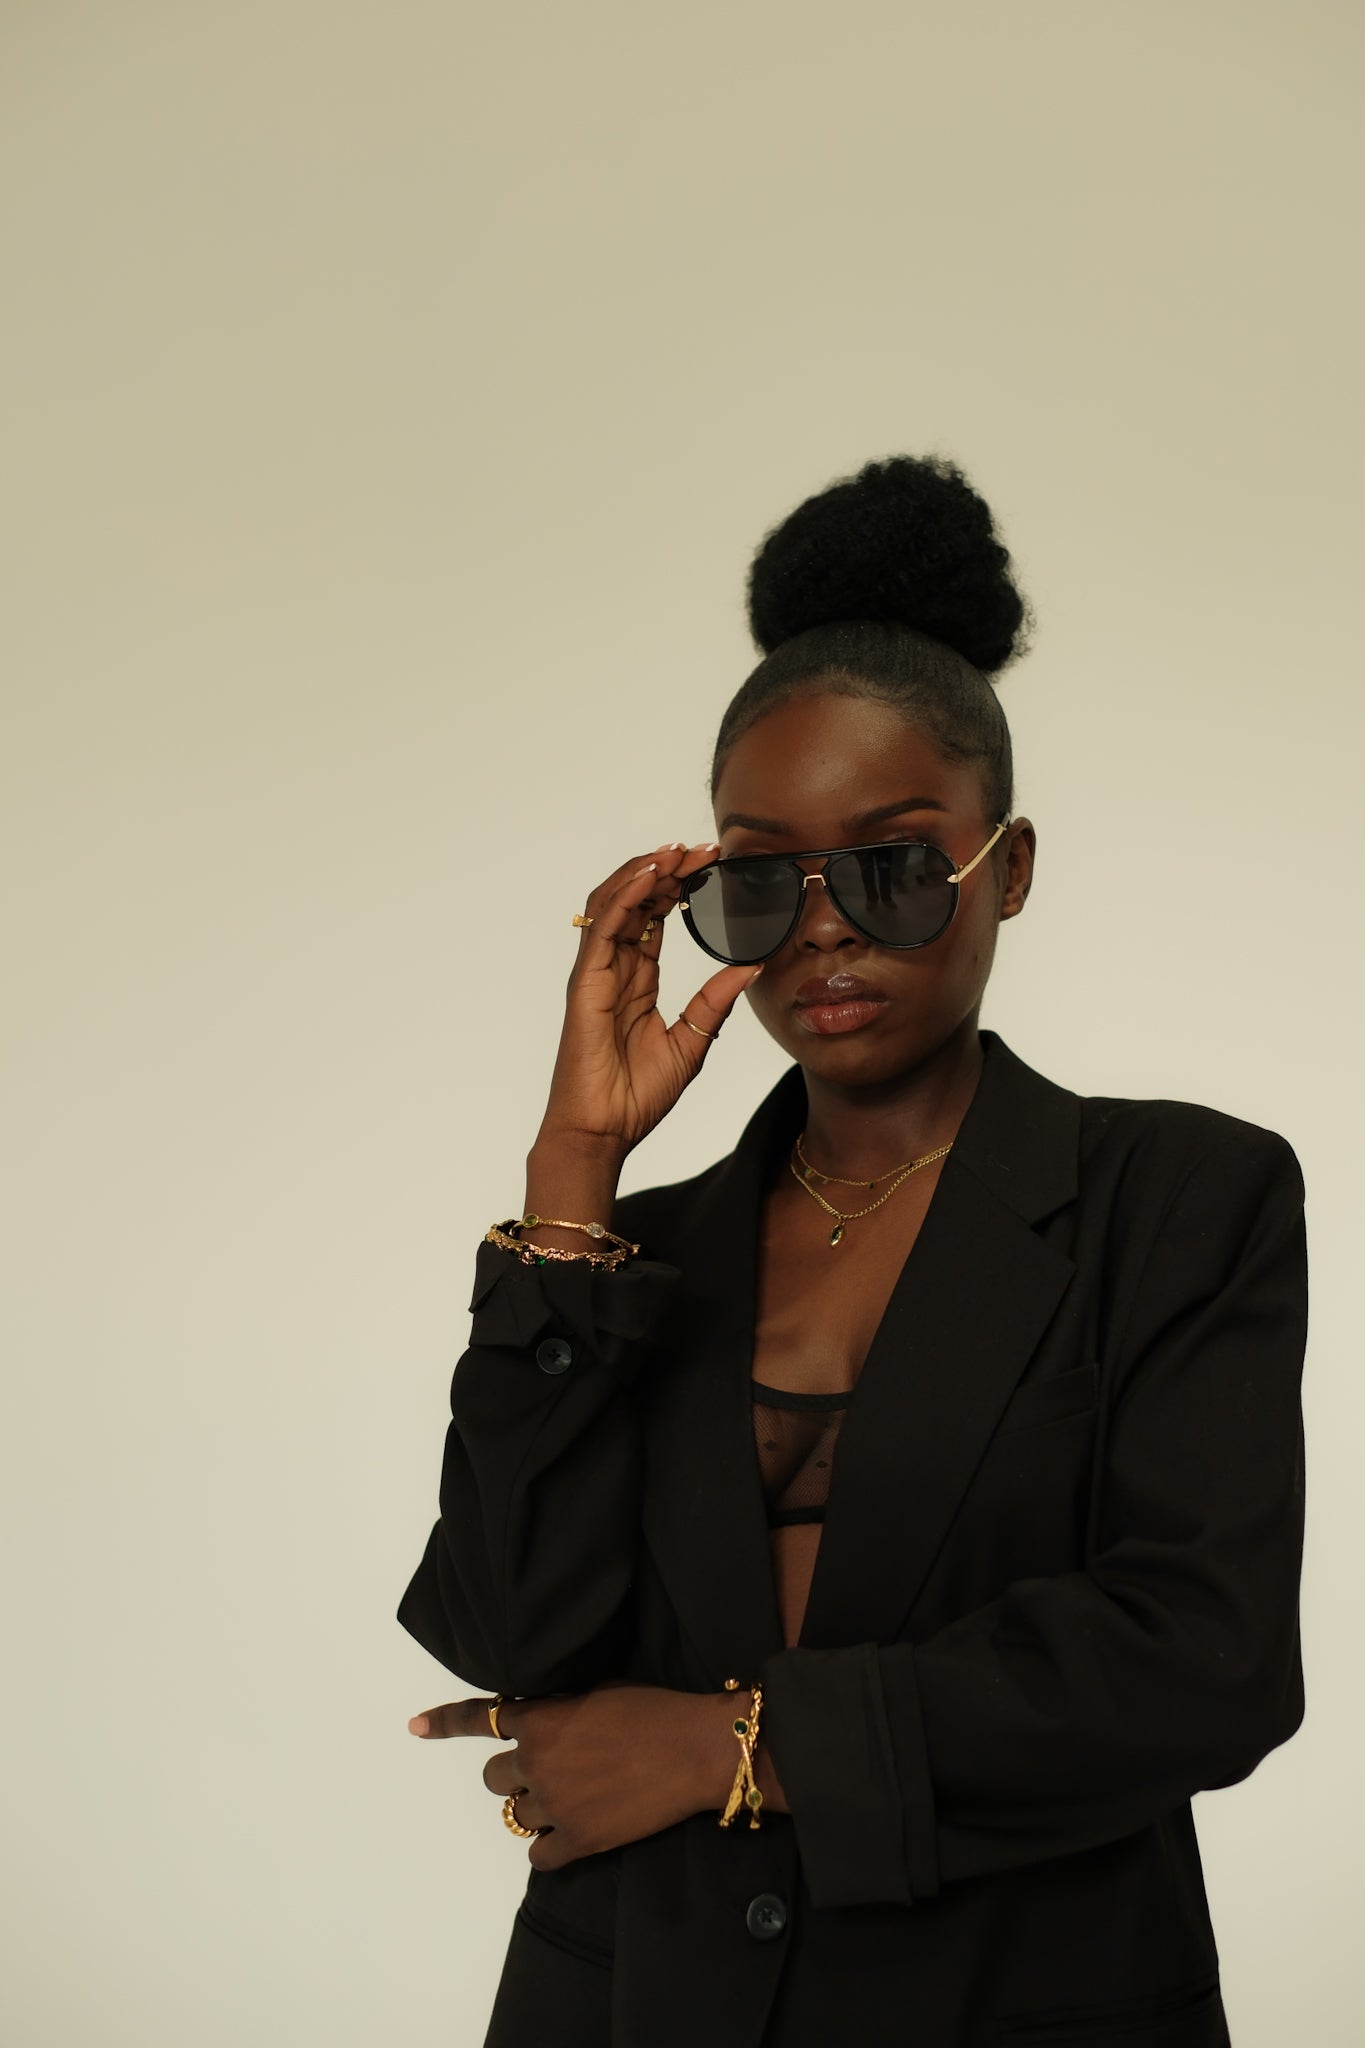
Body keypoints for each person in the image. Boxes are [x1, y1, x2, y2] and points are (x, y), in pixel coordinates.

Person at [396, 455, 1308, 2048]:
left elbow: (1199, 1660)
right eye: (759, 881)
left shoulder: (1173, 1195)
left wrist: (726, 1749)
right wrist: (574, 1169)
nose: (821, 927)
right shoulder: (630, 1260)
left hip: (1018, 1999)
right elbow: (512, 1632)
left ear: (1004, 867)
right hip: (630, 2004)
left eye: (890, 866)